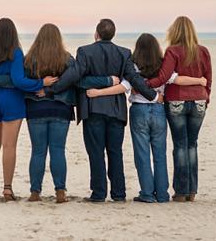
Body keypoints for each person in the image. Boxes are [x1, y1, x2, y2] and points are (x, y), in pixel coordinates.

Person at [0, 23, 113, 203]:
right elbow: (76, 79)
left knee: (38, 152)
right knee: (58, 150)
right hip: (61, 108)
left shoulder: (29, 59)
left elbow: (15, 81)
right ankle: (60, 192)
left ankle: (35, 193)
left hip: (36, 110)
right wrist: (107, 81)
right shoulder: (67, 59)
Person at [47, 19, 157, 202]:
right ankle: (118, 194)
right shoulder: (124, 53)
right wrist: (152, 96)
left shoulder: (84, 51)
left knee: (96, 152)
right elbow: (134, 79)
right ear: (112, 35)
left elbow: (73, 77)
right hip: (116, 111)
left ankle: (98, 194)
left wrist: (51, 89)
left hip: (93, 109)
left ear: (96, 34)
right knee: (115, 152)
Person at [87, 33, 205, 203]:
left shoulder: (133, 65)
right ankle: (162, 195)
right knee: (160, 154)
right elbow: (177, 79)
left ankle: (147, 194)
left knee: (142, 155)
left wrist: (98, 92)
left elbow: (122, 87)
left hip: (139, 111)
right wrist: (200, 81)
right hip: (159, 111)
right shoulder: (163, 64)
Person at [0, 18, 58, 201]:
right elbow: (18, 80)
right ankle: (7, 189)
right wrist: (41, 83)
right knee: (9, 145)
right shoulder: (15, 53)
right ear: (13, 33)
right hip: (11, 100)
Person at [143, 16, 212, 202]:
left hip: (176, 101)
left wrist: (144, 84)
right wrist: (206, 100)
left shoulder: (172, 51)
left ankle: (181, 191)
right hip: (199, 101)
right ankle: (192, 191)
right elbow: (208, 79)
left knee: (180, 145)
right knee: (192, 144)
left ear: (174, 31)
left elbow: (163, 77)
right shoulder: (203, 51)